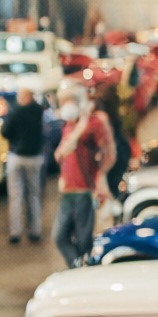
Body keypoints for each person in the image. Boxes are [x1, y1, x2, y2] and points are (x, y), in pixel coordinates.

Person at [52, 84, 115, 267]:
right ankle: (76, 267)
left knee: (84, 240)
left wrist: (101, 176)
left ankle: (82, 271)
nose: (65, 106)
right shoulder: (69, 125)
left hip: (84, 191)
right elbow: (61, 152)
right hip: (67, 191)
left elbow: (109, 152)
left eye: (69, 102)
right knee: (59, 236)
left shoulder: (93, 124)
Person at [0, 87, 47, 244]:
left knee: (15, 196)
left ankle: (15, 232)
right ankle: (35, 230)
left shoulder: (14, 112)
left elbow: (4, 131)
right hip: (34, 157)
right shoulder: (39, 111)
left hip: (16, 156)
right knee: (33, 194)